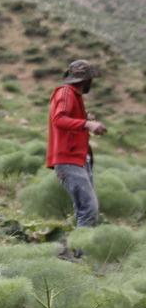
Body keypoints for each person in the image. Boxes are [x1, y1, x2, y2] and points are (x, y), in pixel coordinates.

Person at [46, 59, 107, 227]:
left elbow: (67, 120)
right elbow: (58, 119)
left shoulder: (74, 96)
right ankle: (80, 252)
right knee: (88, 209)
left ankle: (72, 249)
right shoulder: (66, 92)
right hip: (69, 159)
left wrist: (85, 119)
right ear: (86, 79)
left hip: (78, 159)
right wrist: (88, 124)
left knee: (85, 209)